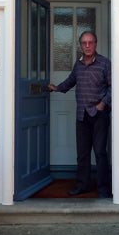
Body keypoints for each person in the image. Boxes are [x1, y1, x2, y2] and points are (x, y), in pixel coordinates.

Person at [48, 31, 112, 198]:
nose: (87, 46)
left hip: (99, 115)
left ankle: (104, 189)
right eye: (84, 43)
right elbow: (70, 81)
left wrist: (103, 103)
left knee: (100, 152)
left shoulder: (104, 63)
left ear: (95, 44)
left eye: (90, 42)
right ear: (81, 45)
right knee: (82, 154)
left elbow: (113, 86)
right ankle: (82, 186)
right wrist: (56, 88)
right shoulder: (78, 64)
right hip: (82, 115)